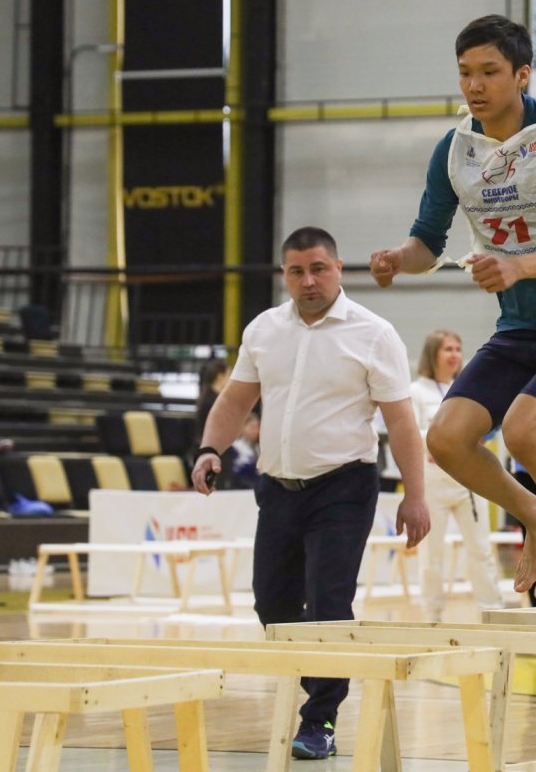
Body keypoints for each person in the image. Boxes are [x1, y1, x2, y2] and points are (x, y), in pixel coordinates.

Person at [369, 14, 536, 603]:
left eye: (488, 72)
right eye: (464, 73)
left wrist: (519, 265)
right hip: (520, 330)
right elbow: (426, 243)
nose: (474, 85)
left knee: (525, 430)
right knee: (448, 438)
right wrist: (395, 260)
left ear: (522, 75)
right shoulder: (455, 151)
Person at [192, 227, 430, 761]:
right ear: (285, 275)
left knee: (327, 601)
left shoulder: (374, 333)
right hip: (276, 488)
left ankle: (320, 714)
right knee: (271, 604)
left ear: (339, 268)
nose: (308, 281)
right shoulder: (264, 330)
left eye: (319, 268)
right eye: (297, 271)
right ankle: (325, 674)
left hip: (344, 487)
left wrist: (415, 495)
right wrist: (209, 449)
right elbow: (235, 400)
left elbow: (402, 422)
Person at [411, 329, 503, 621]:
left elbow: (484, 424)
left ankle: (492, 613)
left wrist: (480, 436)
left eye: (457, 349)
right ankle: (432, 616)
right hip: (432, 485)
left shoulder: (466, 388)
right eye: (447, 349)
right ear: (432, 354)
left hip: (467, 481)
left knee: (481, 550)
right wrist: (436, 441)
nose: (455, 355)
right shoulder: (417, 391)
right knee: (431, 556)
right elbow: (411, 433)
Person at [194, 359, 229, 438]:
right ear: (220, 377)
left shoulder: (211, 397)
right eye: (228, 375)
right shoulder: (211, 401)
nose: (230, 379)